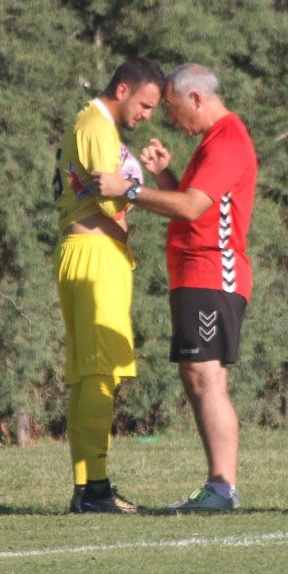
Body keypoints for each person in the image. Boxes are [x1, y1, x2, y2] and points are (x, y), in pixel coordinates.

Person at [91, 63, 258, 512]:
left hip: (213, 271)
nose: (169, 117)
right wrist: (166, 177)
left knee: (207, 376)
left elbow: (190, 208)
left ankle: (223, 488)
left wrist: (129, 189)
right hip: (193, 273)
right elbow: (200, 202)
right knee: (196, 375)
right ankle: (218, 487)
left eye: (171, 106)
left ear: (196, 98)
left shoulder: (227, 139)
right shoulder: (213, 141)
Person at [54, 57, 165, 513]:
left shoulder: (87, 122)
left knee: (88, 375)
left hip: (83, 252)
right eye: (145, 104)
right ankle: (96, 490)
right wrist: (134, 193)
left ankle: (87, 488)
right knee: (100, 375)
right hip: (95, 255)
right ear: (123, 90)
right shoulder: (98, 126)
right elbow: (106, 195)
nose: (147, 115)